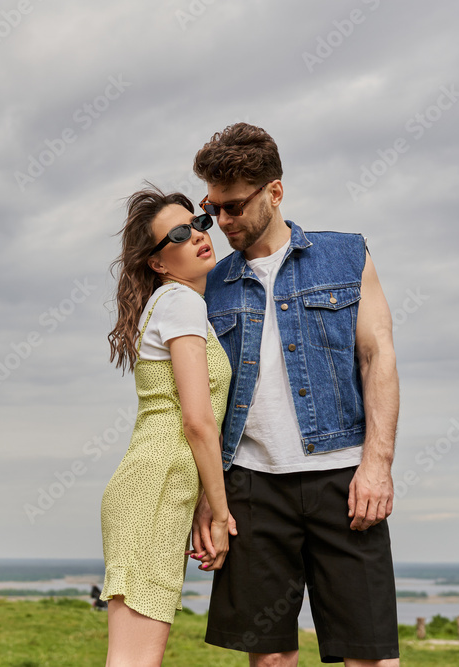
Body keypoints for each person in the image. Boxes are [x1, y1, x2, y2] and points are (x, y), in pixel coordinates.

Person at [188, 123, 401, 666]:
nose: (224, 222)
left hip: (345, 481)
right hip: (252, 488)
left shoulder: (346, 256)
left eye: (234, 206)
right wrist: (207, 502)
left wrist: (377, 464)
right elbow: (197, 400)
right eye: (214, 210)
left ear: (274, 191)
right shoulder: (210, 284)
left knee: (370, 655)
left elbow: (377, 357)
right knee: (272, 658)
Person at [100, 186, 237, 667]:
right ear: (158, 262)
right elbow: (198, 422)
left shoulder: (176, 303)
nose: (199, 234)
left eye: (199, 222)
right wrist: (220, 514)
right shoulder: (181, 302)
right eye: (179, 234)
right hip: (154, 488)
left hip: (156, 488)